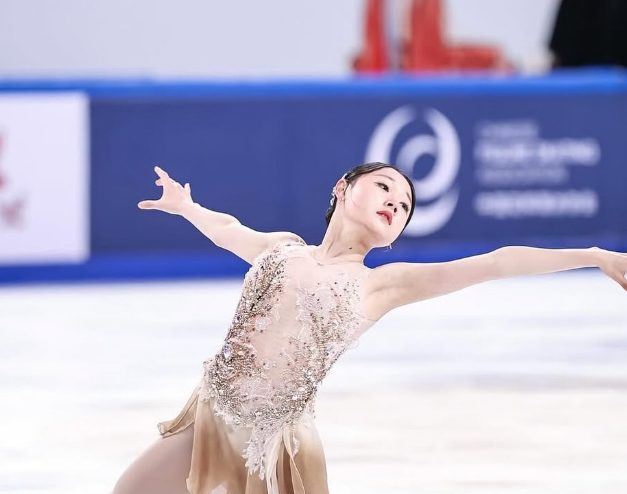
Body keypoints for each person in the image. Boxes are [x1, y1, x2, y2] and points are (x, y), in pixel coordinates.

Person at [112, 161, 627, 494]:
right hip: (212, 415)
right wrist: (187, 207)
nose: (394, 204)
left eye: (403, 207)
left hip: (274, 444)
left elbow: (494, 263)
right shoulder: (281, 248)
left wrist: (593, 255)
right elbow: (228, 229)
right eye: (384, 187)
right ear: (342, 188)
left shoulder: (382, 285)